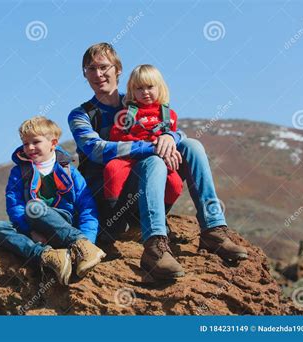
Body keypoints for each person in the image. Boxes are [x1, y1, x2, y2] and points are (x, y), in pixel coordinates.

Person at [68, 42, 248, 281]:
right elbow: (96, 150)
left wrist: (169, 137)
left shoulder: (138, 98)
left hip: (148, 189)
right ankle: (154, 247)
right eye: (90, 69)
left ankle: (213, 229)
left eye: (103, 67)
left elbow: (173, 129)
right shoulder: (82, 114)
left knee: (192, 146)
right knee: (153, 161)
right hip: (110, 197)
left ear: (118, 69)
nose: (98, 74)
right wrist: (151, 147)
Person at [0, 116, 106, 285]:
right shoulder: (19, 172)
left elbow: (86, 207)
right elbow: (14, 204)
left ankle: (83, 247)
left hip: (62, 226)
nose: (29, 148)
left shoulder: (69, 171)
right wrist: (29, 232)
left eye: (36, 142)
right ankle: (49, 256)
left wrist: (87, 239)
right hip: (34, 231)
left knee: (34, 207)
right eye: (25, 143)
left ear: (53, 143)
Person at [104, 64, 183, 211]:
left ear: (160, 87)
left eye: (150, 87)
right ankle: (115, 215)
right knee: (112, 169)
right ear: (132, 91)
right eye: (139, 88)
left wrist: (170, 149)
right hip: (132, 157)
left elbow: (173, 136)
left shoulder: (168, 114)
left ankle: (161, 213)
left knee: (175, 184)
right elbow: (116, 137)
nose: (145, 92)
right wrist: (143, 145)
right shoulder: (128, 113)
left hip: (161, 158)